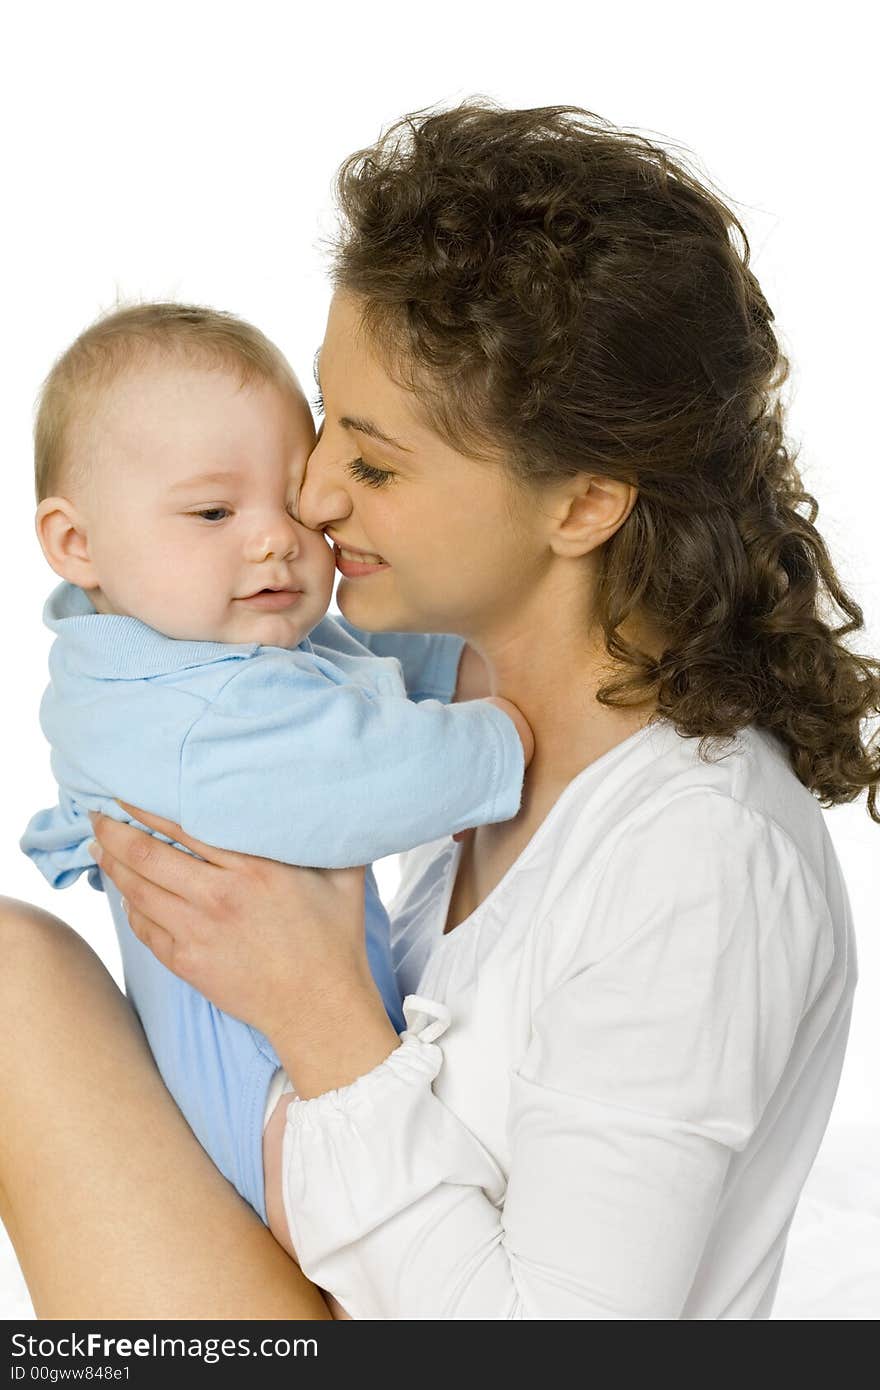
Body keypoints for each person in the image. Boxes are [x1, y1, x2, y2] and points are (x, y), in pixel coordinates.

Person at [3, 100, 878, 1319]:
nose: (307, 497)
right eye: (323, 420)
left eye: (373, 462)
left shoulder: (695, 864)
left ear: (581, 505)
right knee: (14, 969)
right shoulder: (466, 685)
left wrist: (317, 1015)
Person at [19, 300, 533, 1229]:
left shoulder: (200, 635)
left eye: (291, 502)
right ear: (76, 543)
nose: (275, 539)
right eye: (214, 510)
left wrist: (482, 655)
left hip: (319, 1066)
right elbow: (367, 774)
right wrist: (508, 734)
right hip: (271, 1113)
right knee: (428, 1227)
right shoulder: (188, 714)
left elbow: (362, 663)